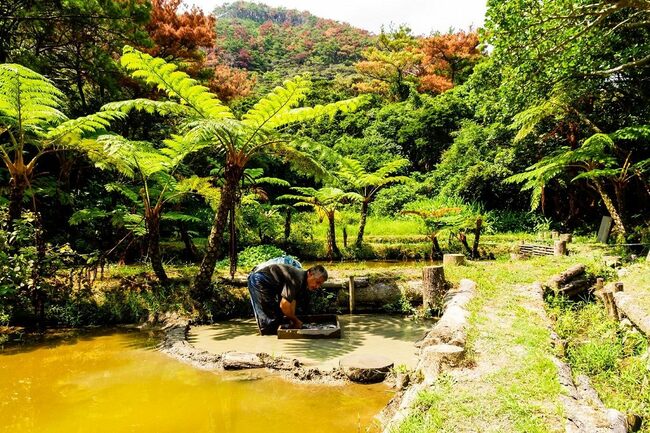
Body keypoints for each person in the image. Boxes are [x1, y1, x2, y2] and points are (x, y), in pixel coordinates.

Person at [247, 263, 328, 335]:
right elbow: (284, 305)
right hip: (260, 280)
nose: (317, 287)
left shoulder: (302, 282)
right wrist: (295, 320)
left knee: (278, 318)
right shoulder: (297, 279)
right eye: (317, 282)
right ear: (310, 274)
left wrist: (292, 320)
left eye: (320, 284)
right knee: (269, 320)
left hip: (271, 284)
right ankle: (267, 341)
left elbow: (291, 301)